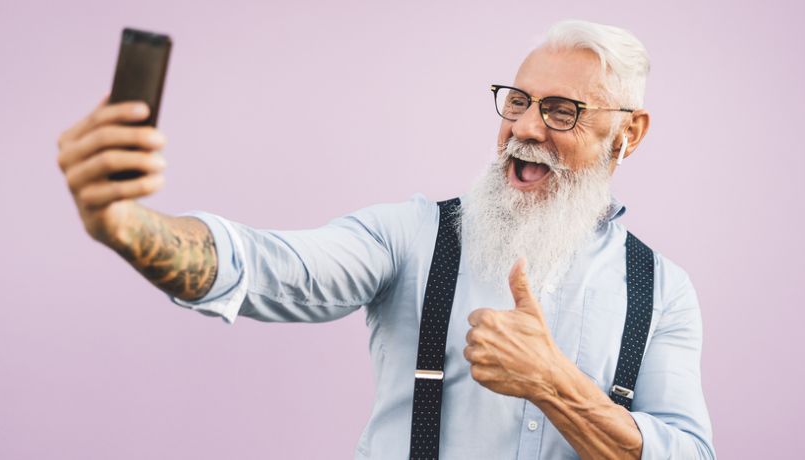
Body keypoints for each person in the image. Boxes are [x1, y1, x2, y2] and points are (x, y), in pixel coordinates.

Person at [56, 19, 715, 460]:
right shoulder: (413, 237)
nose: (528, 127)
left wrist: (552, 382)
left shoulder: (662, 294)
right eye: (517, 101)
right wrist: (125, 226)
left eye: (561, 110)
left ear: (628, 135)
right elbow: (266, 267)